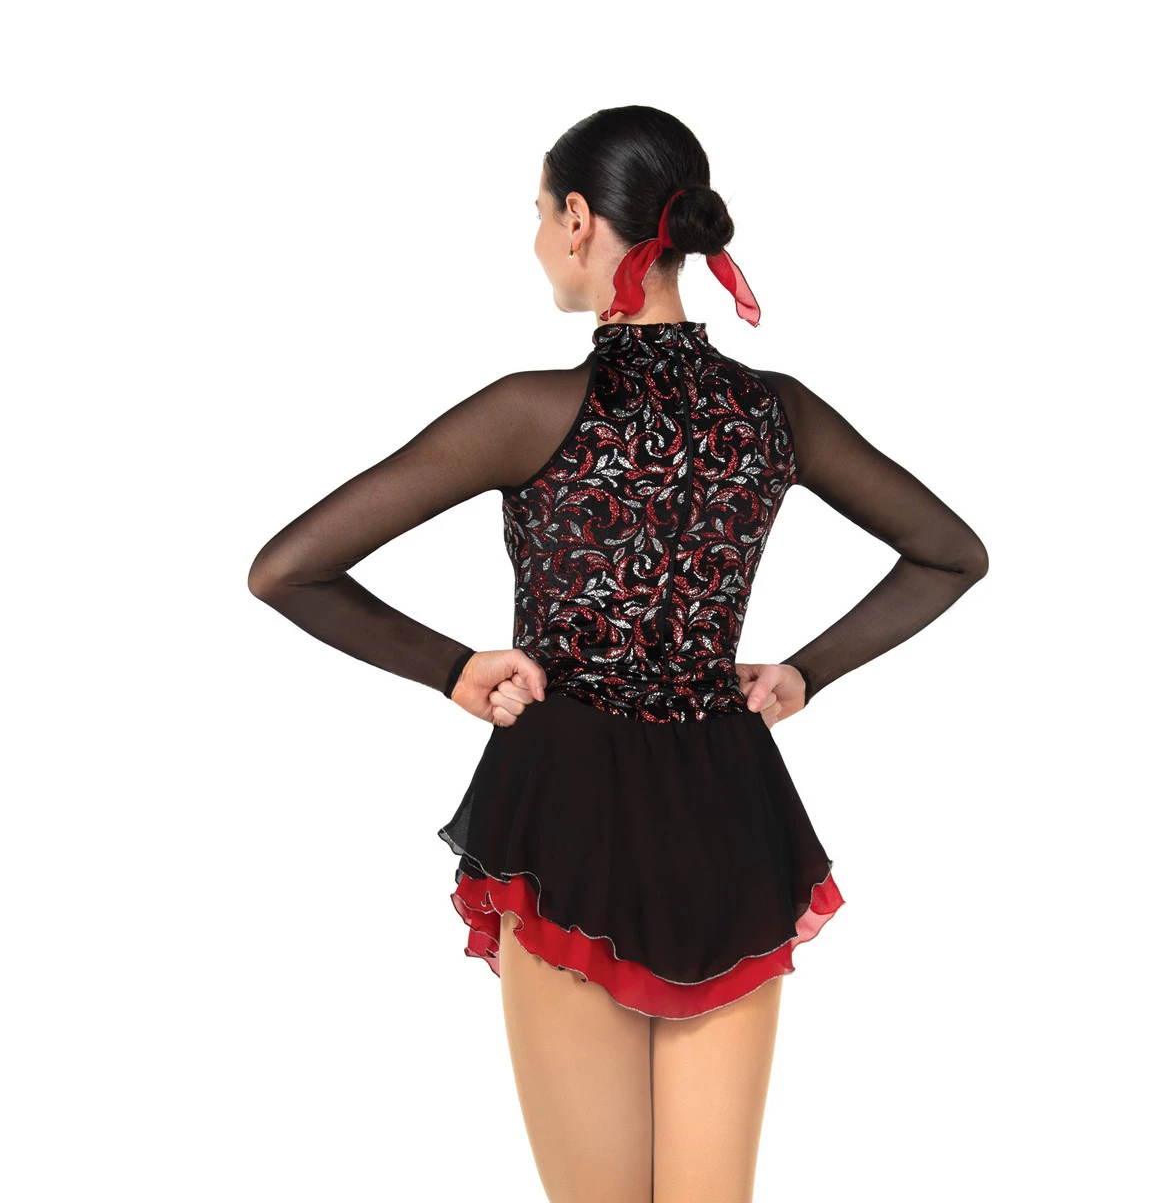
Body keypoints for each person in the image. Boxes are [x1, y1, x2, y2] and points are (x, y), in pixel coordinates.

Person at [248, 105, 989, 1203]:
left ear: (579, 220)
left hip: (567, 813)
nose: (536, 239)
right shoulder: (773, 413)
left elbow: (286, 569)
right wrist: (805, 671)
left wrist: (453, 667)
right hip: (728, 807)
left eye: (536, 214)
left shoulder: (530, 410)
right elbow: (949, 552)